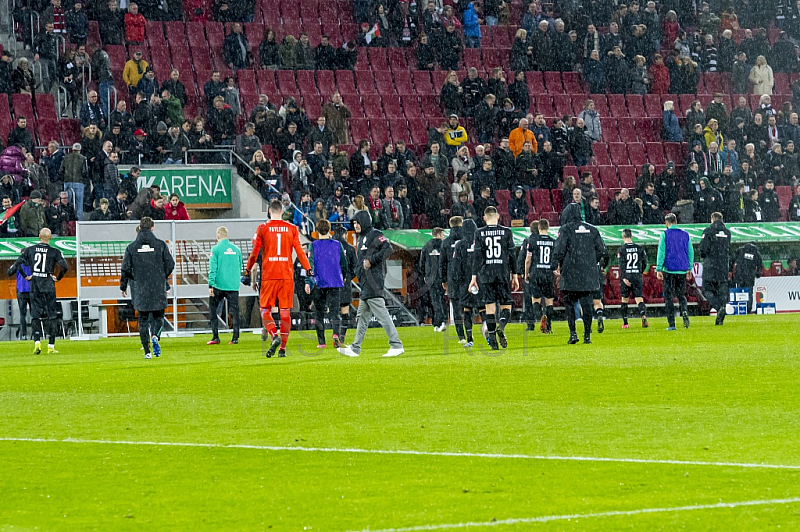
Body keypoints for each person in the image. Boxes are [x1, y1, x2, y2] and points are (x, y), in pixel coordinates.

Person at [245, 200, 312, 358]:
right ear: (282, 212)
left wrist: (247, 270)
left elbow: (254, 253)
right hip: (286, 275)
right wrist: (308, 268)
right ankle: (282, 349)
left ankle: (273, 334)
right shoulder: (292, 228)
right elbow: (300, 252)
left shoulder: (263, 228)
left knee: (265, 309)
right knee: (285, 311)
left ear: (269, 211)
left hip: (269, 275)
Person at [336, 211, 404, 358]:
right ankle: (355, 348)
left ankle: (396, 344)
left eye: (357, 222)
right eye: (354, 223)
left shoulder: (375, 234)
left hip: (374, 281)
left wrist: (371, 260)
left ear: (364, 221)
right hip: (366, 282)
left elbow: (388, 249)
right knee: (362, 316)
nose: (356, 225)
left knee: (382, 314)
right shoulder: (361, 238)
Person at [552, 203, 607, 345]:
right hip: (587, 274)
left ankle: (573, 333)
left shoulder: (565, 229)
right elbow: (602, 250)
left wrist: (555, 265)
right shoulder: (592, 229)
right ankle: (587, 336)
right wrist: (590, 261)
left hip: (570, 273)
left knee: (569, 305)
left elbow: (559, 250)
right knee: (587, 305)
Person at [120, 216, 175, 359]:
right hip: (157, 287)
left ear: (139, 227)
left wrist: (125, 284)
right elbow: (170, 264)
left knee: (143, 319)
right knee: (159, 316)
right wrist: (161, 275)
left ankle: (147, 352)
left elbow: (125, 268)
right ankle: (155, 336)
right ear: (152, 228)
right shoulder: (160, 245)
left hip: (140, 288)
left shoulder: (131, 247)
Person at [468, 206, 518, 351]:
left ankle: (493, 340)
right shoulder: (506, 232)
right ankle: (501, 327)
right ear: (497, 217)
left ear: (484, 218)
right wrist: (514, 275)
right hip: (502, 273)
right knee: (506, 305)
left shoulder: (479, 233)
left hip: (486, 274)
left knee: (490, 308)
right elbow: (512, 255)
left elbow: (476, 257)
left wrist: (473, 277)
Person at [16, 228, 68, 354]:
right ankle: (50, 346)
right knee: (52, 315)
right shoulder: (55, 251)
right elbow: (65, 266)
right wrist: (58, 277)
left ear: (39, 236)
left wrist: (26, 276)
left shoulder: (30, 250)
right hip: (48, 284)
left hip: (35, 284)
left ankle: (37, 342)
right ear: (50, 237)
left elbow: (18, 263)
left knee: (35, 314)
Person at [305, 219, 349, 349]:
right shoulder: (337, 244)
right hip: (334, 281)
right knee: (335, 312)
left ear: (317, 230)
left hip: (319, 282)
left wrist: (308, 281)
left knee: (319, 313)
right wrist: (344, 276)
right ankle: (336, 334)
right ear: (330, 230)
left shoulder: (313, 245)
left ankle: (321, 342)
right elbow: (344, 263)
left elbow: (310, 264)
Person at [656, 213, 693, 330]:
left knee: (668, 297)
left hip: (669, 269)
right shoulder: (685, 235)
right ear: (676, 222)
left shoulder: (664, 234)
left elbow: (661, 252)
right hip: (682, 269)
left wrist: (658, 268)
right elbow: (690, 252)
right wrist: (689, 268)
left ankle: (672, 324)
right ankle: (685, 311)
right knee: (681, 295)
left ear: (667, 223)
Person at [207, 226, 242, 346]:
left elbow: (212, 268)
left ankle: (215, 337)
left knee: (212, 309)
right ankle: (235, 338)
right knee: (235, 311)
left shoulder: (215, 249)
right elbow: (240, 266)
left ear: (217, 237)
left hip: (219, 285)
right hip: (233, 286)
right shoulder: (236, 250)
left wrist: (210, 284)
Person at [523, 218, 556, 334]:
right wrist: (557, 271)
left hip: (536, 273)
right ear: (548, 227)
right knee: (549, 301)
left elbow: (528, 259)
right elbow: (556, 259)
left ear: (538, 228)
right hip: (548, 273)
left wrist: (526, 274)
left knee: (535, 300)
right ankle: (549, 326)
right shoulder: (553, 242)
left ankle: (541, 315)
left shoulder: (532, 241)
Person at [700, 211, 732, 325]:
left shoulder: (708, 231)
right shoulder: (727, 233)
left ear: (712, 219)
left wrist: (705, 255)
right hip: (723, 266)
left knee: (706, 290)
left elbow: (703, 249)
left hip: (711, 266)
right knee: (722, 291)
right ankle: (721, 311)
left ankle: (719, 308)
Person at [617, 229, 649, 329]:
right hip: (637, 276)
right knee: (639, 299)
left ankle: (626, 323)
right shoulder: (640, 248)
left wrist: (625, 277)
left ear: (623, 237)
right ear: (631, 236)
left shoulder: (621, 249)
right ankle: (643, 314)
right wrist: (639, 272)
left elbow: (621, 265)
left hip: (627, 276)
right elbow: (645, 262)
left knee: (624, 300)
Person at [419, 226, 446, 332]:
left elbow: (422, 263)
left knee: (435, 300)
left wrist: (425, 275)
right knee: (441, 299)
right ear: (438, 234)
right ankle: (438, 322)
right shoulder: (443, 245)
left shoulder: (426, 246)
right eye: (443, 235)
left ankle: (439, 322)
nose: (443, 237)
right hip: (442, 276)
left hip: (431, 277)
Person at [731, 241, 763, 314]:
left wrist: (730, 270)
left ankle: (739, 309)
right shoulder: (757, 254)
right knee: (749, 293)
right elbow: (760, 266)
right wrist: (757, 274)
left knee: (739, 291)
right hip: (750, 276)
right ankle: (748, 310)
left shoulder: (740, 250)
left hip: (739, 275)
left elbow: (732, 259)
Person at [6, 252, 32, 340]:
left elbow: (9, 272)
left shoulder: (18, 263)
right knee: (34, 314)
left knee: (22, 314)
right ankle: (36, 333)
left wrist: (12, 266)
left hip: (21, 290)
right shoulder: (33, 263)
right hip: (31, 290)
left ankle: (24, 334)